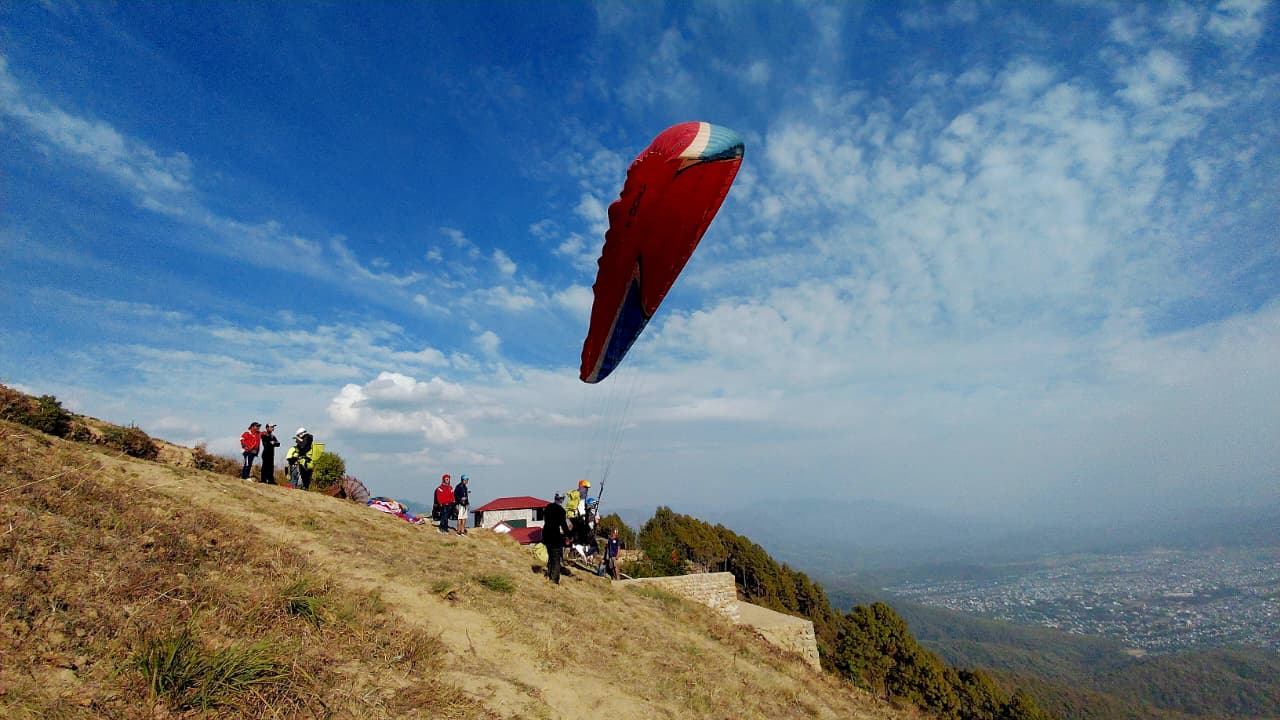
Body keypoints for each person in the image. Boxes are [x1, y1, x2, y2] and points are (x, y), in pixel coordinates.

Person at [541, 492, 572, 584]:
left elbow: (545, 520)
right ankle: (554, 580)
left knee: (551, 556)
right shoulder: (561, 511)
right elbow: (564, 526)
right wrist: (569, 535)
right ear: (562, 499)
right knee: (556, 558)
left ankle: (549, 574)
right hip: (554, 535)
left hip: (546, 534)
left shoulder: (547, 507)